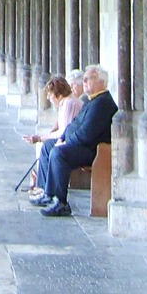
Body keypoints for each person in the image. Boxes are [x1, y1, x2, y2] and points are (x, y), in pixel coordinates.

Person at [29, 64, 117, 217]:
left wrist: (66, 142)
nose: (84, 82)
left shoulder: (102, 103)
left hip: (92, 151)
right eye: (84, 79)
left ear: (101, 82)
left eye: (88, 79)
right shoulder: (91, 100)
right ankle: (47, 192)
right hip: (81, 146)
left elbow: (86, 134)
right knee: (49, 146)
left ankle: (61, 202)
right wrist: (62, 137)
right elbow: (74, 124)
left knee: (59, 153)